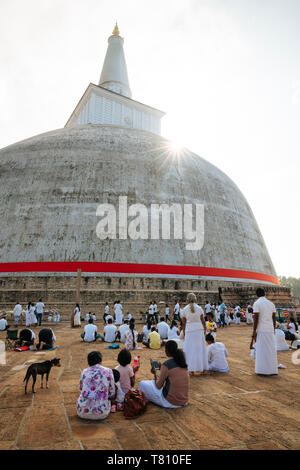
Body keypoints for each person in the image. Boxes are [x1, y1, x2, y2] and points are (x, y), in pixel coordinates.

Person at [139, 340, 189, 408]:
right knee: (152, 383)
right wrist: (161, 368)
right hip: (183, 401)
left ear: (166, 351)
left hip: (170, 402)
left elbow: (158, 386)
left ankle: (144, 401)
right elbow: (172, 376)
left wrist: (155, 372)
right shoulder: (182, 362)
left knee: (142, 383)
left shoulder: (167, 365)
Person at [77, 351, 115, 420]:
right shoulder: (108, 371)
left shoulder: (84, 371)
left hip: (82, 412)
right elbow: (112, 392)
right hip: (102, 413)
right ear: (100, 360)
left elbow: (81, 388)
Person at [250, 288, 278, 376]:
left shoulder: (257, 303)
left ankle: (262, 370)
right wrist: (273, 329)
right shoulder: (271, 304)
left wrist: (254, 331)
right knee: (270, 350)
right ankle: (272, 370)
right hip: (270, 329)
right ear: (264, 294)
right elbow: (274, 318)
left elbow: (256, 318)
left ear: (257, 294)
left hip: (262, 329)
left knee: (262, 350)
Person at [182, 293, 208, 375]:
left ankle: (191, 370)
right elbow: (203, 321)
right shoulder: (199, 308)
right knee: (200, 348)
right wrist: (204, 330)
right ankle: (203, 369)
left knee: (190, 349)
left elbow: (183, 323)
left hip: (189, 330)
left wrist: (184, 332)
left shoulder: (185, 309)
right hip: (198, 329)